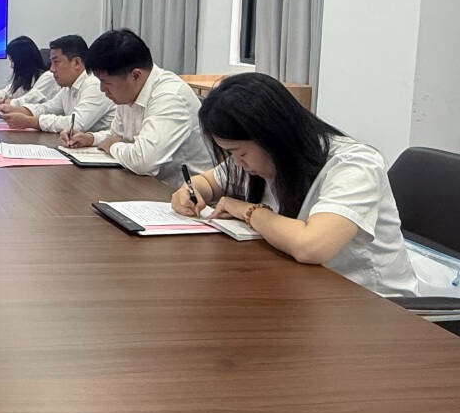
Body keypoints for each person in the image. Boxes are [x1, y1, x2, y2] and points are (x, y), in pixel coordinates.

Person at [168, 72, 420, 296]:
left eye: (240, 152)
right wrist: (191, 191)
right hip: (303, 289)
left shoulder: (353, 165)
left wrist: (248, 211)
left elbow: (311, 246)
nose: (237, 162)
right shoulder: (256, 161)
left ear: (271, 136)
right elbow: (207, 182)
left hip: (372, 304)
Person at [59, 29, 212, 183]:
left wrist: (113, 146)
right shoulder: (129, 92)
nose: (102, 89)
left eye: (106, 82)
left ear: (135, 75)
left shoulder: (170, 96)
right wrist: (90, 139)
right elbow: (116, 135)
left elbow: (144, 161)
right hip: (145, 183)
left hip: (182, 191)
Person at [0, 35, 115, 134]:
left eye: (56, 62)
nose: (52, 69)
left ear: (77, 63)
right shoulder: (68, 87)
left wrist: (31, 122)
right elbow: (47, 108)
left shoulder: (94, 85)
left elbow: (76, 124)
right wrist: (14, 109)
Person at [0, 35, 58, 105]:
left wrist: (4, 102)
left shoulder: (48, 78)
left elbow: (28, 100)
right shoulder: (26, 78)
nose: (11, 66)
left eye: (12, 61)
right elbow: (8, 91)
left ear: (22, 61)